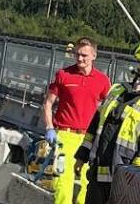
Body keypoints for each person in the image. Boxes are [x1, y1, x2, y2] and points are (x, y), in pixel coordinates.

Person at [76, 40, 140, 204]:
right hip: (96, 174)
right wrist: (81, 155)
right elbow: (95, 125)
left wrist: (133, 180)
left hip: (120, 180)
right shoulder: (117, 90)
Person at [41, 37, 112, 204]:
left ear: (94, 55)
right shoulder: (63, 75)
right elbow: (48, 103)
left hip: (88, 140)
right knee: (61, 181)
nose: (80, 59)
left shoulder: (102, 81)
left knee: (87, 183)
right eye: (77, 54)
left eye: (84, 55)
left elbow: (109, 108)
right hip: (64, 138)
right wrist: (49, 128)